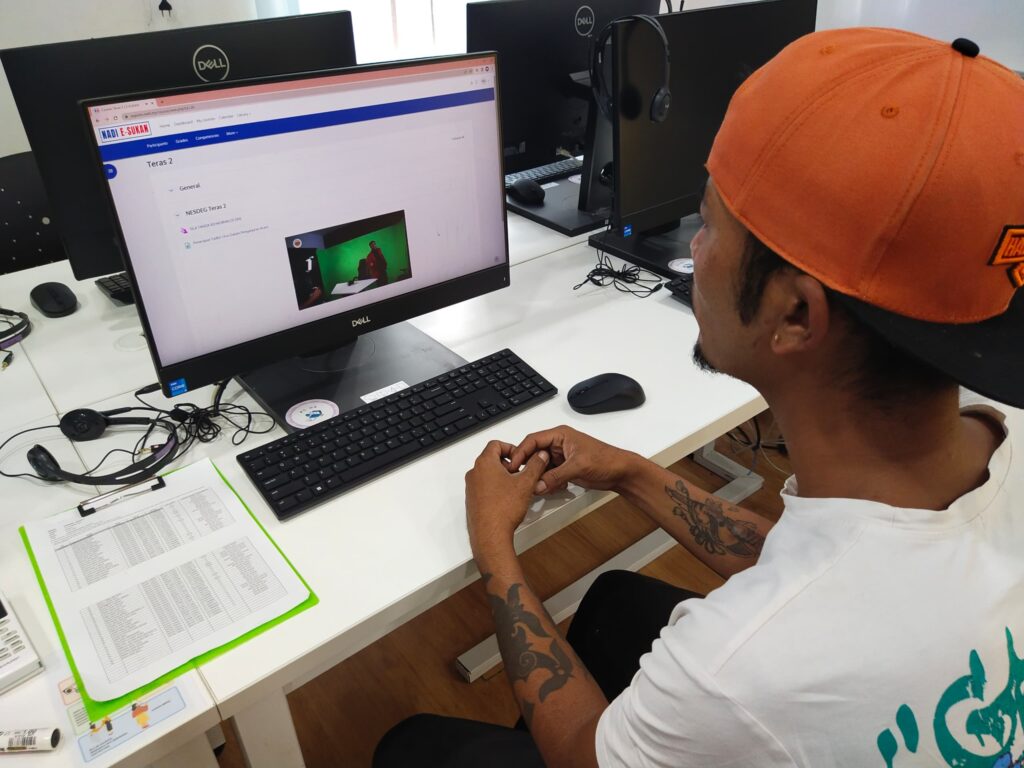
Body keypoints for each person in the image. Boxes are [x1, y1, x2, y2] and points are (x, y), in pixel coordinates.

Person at [374, 28, 1024, 767]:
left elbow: (587, 754)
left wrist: (494, 543)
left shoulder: (742, 671)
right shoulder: (999, 445)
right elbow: (820, 567)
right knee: (616, 602)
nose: (691, 250)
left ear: (795, 314)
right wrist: (630, 471)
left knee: (413, 746)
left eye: (709, 225)